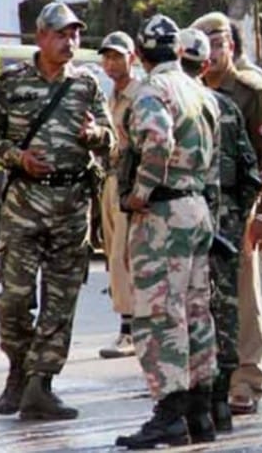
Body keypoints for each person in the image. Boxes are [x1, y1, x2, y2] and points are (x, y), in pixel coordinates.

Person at [0, 2, 113, 420]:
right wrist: (17, 158)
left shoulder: (86, 85)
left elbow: (111, 139)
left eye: (75, 34)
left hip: (72, 207)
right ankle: (19, 370)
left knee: (61, 301)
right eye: (61, 34)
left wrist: (95, 134)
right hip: (24, 206)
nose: (70, 42)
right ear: (40, 36)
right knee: (14, 299)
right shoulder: (11, 83)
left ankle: (41, 384)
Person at [114, 14, 218, 449]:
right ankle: (201, 410)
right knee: (195, 310)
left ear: (139, 54)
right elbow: (213, 157)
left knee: (159, 312)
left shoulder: (152, 90)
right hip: (195, 206)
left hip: (162, 213)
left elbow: (157, 140)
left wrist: (141, 191)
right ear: (177, 50)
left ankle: (170, 413)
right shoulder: (200, 91)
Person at [192, 11, 262, 415]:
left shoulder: (251, 92)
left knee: (244, 297)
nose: (211, 52)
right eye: (203, 44)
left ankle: (246, 380)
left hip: (239, 207)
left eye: (218, 42)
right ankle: (210, 378)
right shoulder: (191, 90)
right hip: (198, 209)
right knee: (204, 297)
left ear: (231, 45)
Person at [179, 27, 262, 432]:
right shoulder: (225, 106)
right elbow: (251, 173)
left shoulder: (167, 104)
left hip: (181, 218)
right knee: (223, 306)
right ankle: (220, 400)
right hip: (222, 216)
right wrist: (234, 214)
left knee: (184, 307)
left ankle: (194, 399)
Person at [97, 31, 141, 359]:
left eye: (117, 57)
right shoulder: (109, 96)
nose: (111, 63)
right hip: (110, 180)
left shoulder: (140, 96)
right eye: (107, 57)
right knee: (112, 252)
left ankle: (130, 330)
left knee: (123, 255)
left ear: (132, 58)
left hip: (131, 181)